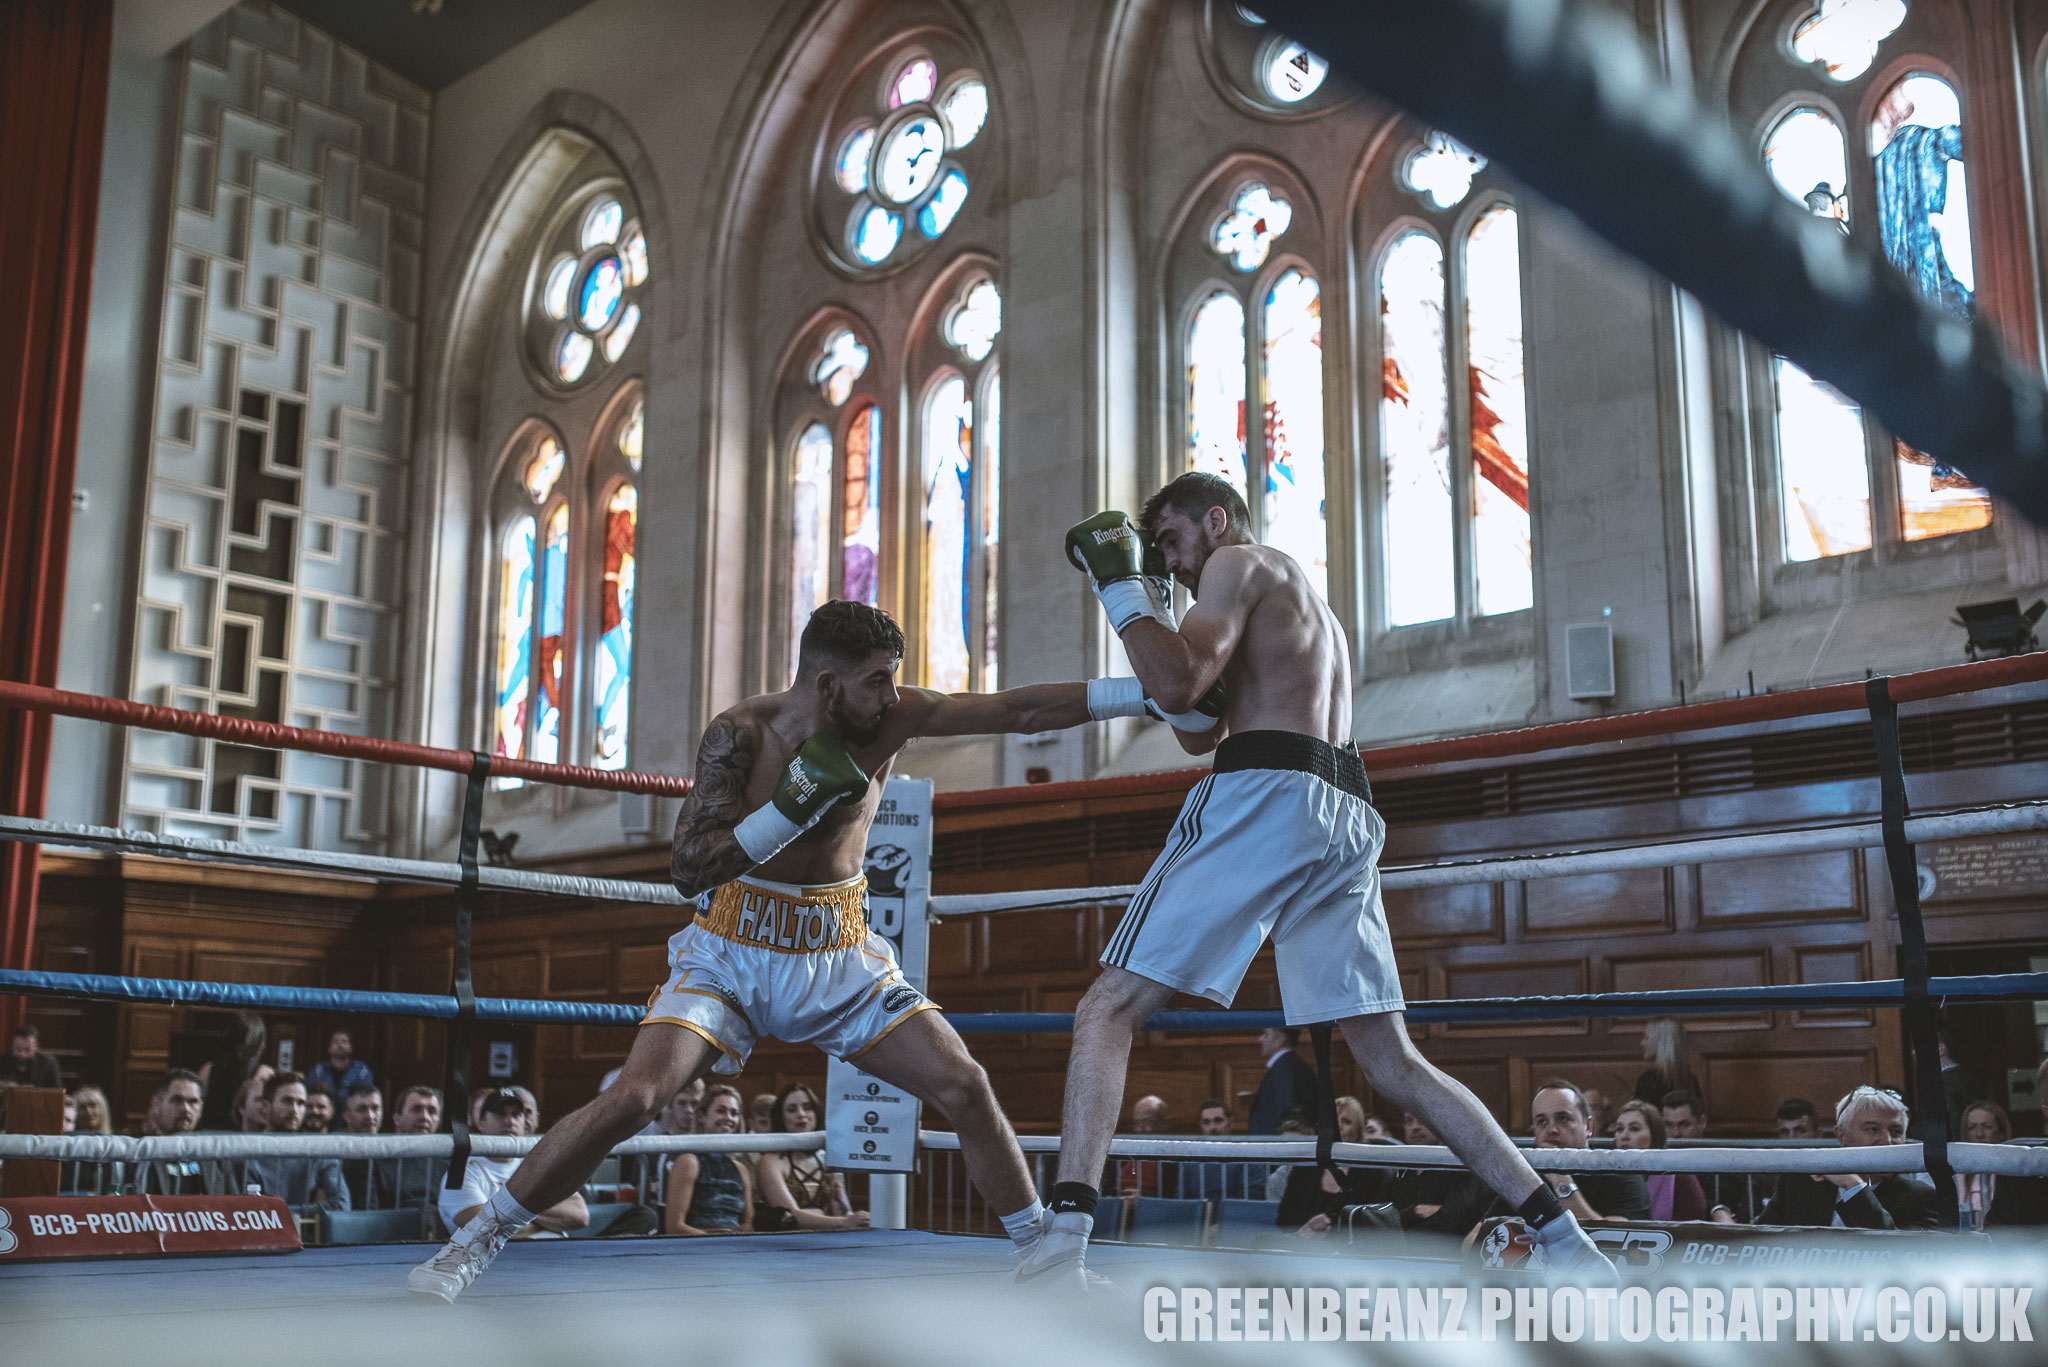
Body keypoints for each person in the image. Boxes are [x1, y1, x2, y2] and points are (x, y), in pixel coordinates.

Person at [408, 600, 1118, 1302]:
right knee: (635, 1097)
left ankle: (1045, 1262)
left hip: (839, 950)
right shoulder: (740, 732)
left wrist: (1143, 692)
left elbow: (1017, 710)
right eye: (876, 679)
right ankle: (474, 1240)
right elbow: (688, 865)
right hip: (732, 948)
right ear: (828, 685)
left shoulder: (894, 720)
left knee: (965, 1083)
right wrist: (787, 810)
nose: (892, 695)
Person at [1022, 474, 1610, 1286]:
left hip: (1270, 792)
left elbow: (1176, 685)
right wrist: (1154, 611)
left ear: (1215, 520)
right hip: (1346, 809)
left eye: (1170, 541)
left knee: (1105, 1008)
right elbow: (1196, 729)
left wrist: (1122, 590)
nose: (1171, 562)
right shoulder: (1308, 608)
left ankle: (1061, 1244)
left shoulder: (1237, 563)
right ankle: (1565, 1238)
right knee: (1393, 1061)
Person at [1469, 1081, 1650, 1234]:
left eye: (1563, 1119)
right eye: (1542, 1122)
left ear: (1588, 1126)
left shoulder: (1620, 1171)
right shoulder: (1524, 1176)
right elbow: (1471, 1242)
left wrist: (1560, 1179)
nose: (1552, 1129)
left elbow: (1613, 1244)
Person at [1754, 1086, 1942, 1229]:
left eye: (1896, 1131)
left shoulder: (1921, 1197)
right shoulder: (1800, 1183)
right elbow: (1760, 1242)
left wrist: (1853, 1187)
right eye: (1872, 1129)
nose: (1887, 1141)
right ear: (1841, 1135)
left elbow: (1897, 1257)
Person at [439, 1087, 586, 1236]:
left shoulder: (541, 1164)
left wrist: (511, 1211)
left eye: (516, 1115)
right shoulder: (463, 1172)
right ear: (481, 1122)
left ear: (524, 1122)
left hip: (557, 1254)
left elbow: (579, 1215)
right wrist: (545, 1223)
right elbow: (486, 1229)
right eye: (500, 1115)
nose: (510, 1122)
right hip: (498, 1257)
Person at [754, 1083, 866, 1232]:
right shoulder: (770, 1161)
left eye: (807, 1107)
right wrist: (844, 1222)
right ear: (781, 1117)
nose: (801, 1114)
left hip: (826, 1240)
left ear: (816, 1112)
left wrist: (860, 1220)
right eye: (792, 1109)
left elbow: (843, 1212)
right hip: (783, 1243)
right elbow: (791, 1217)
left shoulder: (827, 1159)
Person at [1277, 1097, 1387, 1238]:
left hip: (1349, 1251)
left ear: (1358, 1130)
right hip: (1304, 1245)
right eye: (1332, 1120)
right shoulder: (1305, 1167)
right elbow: (1284, 1217)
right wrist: (1310, 1224)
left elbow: (1371, 1223)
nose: (1338, 1126)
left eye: (1346, 1121)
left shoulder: (1372, 1173)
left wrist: (1330, 1227)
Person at [241, 1071, 349, 1211]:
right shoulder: (246, 1150)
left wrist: (284, 1213)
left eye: (301, 1103)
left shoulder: (319, 1149)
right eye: (287, 1101)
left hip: (302, 1232)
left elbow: (341, 1204)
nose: (294, 1109)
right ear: (267, 1106)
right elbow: (245, 1210)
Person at [1382, 1110, 1490, 1238]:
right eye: (1409, 1121)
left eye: (1423, 1120)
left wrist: (1401, 1220)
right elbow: (1378, 1220)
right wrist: (1415, 1211)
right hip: (1394, 1252)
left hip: (1445, 1251)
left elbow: (1455, 1221)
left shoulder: (1461, 1168)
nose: (1415, 1127)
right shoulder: (1398, 1173)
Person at [665, 1085, 753, 1235]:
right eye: (721, 1111)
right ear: (702, 1116)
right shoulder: (689, 1162)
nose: (728, 1118)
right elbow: (674, 1227)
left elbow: (748, 1224)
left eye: (734, 1113)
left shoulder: (740, 1169)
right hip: (698, 1247)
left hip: (737, 1247)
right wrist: (716, 1237)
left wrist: (741, 1234)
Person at [1613, 1100, 1711, 1222]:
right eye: (1619, 1129)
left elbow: (1691, 1228)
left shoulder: (1679, 1176)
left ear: (1654, 1134)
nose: (1624, 1136)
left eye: (1634, 1129)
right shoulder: (1605, 1175)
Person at [1661, 1089, 1748, 1223]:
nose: (1676, 1133)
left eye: (1684, 1124)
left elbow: (1725, 1200)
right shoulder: (1656, 1162)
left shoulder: (1722, 1162)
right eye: (1668, 1125)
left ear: (1702, 1122)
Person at [135, 1069, 216, 1197]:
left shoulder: (214, 1155)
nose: (185, 1109)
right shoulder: (135, 1153)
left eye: (193, 1102)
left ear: (201, 1109)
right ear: (156, 1104)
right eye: (177, 1100)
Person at [196, 1013, 266, 1132]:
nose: (241, 1048)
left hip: (232, 1135)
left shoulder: (263, 1074)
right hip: (216, 1134)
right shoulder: (208, 1069)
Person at [1246, 1027, 1318, 1134]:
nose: (1260, 1039)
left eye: (1265, 1034)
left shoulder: (1283, 1068)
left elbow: (1284, 1110)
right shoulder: (1291, 1065)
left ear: (1280, 1038)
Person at [1184, 1099, 1256, 1202]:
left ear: (1231, 1123)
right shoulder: (1191, 1160)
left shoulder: (1249, 1156)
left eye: (1218, 1120)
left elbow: (1252, 1198)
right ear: (1201, 1125)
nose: (1212, 1127)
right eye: (1206, 1122)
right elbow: (1182, 1199)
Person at [1111, 1095, 1175, 1198]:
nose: (1140, 1129)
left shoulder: (1173, 1158)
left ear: (1163, 1124)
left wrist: (1144, 1200)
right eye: (1137, 1123)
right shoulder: (1124, 1155)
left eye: (1146, 1122)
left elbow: (1171, 1196)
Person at [1633, 1019, 1698, 1107]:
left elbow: (1639, 1117)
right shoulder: (1690, 1079)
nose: (1642, 1043)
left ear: (1662, 1042)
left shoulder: (1648, 1081)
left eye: (1646, 1038)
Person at [306, 1030, 374, 1101]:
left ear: (351, 1048)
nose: (340, 1045)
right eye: (336, 1042)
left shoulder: (362, 1072)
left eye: (344, 1042)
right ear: (328, 1048)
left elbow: (366, 1098)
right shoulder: (317, 1072)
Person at [5, 1023, 63, 1088]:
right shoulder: (2, 1061)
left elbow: (57, 1091)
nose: (22, 1054)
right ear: (12, 1046)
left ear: (36, 1048)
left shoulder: (48, 1064)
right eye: (17, 1049)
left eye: (27, 1050)